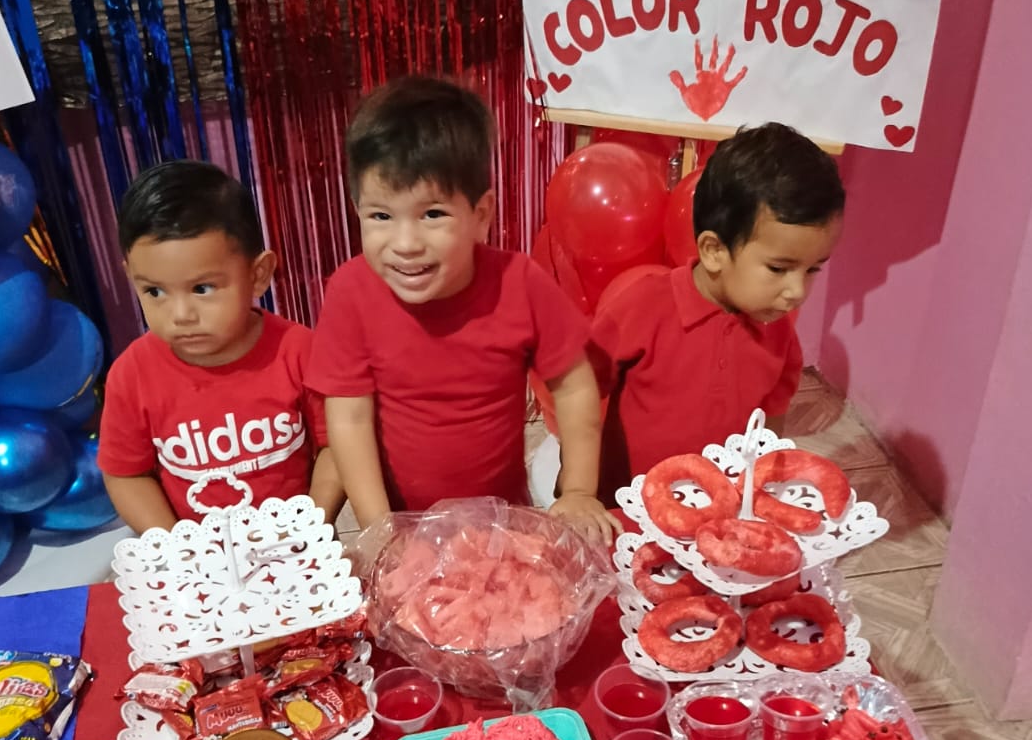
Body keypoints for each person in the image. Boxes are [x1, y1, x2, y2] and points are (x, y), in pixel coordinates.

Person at [306, 76, 614, 541]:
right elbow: (348, 419)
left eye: (432, 214)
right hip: (404, 527)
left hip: (502, 522)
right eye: (381, 216)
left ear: (481, 215)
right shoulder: (350, 292)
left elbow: (573, 386)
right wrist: (380, 528)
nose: (405, 244)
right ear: (357, 211)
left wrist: (578, 490)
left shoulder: (520, 283)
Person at [590, 123, 845, 503]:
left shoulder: (778, 335)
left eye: (812, 270)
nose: (797, 291)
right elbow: (578, 393)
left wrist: (758, 490)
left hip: (718, 511)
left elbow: (769, 427)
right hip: (623, 504)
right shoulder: (641, 307)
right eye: (778, 268)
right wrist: (578, 487)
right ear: (713, 251)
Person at [99, 160, 343, 534]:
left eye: (202, 289)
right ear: (130, 276)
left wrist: (310, 522)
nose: (180, 315)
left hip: (296, 548)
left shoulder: (298, 350)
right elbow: (126, 474)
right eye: (154, 291)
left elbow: (337, 446)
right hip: (196, 559)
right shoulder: (131, 375)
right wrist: (176, 545)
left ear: (258, 274)